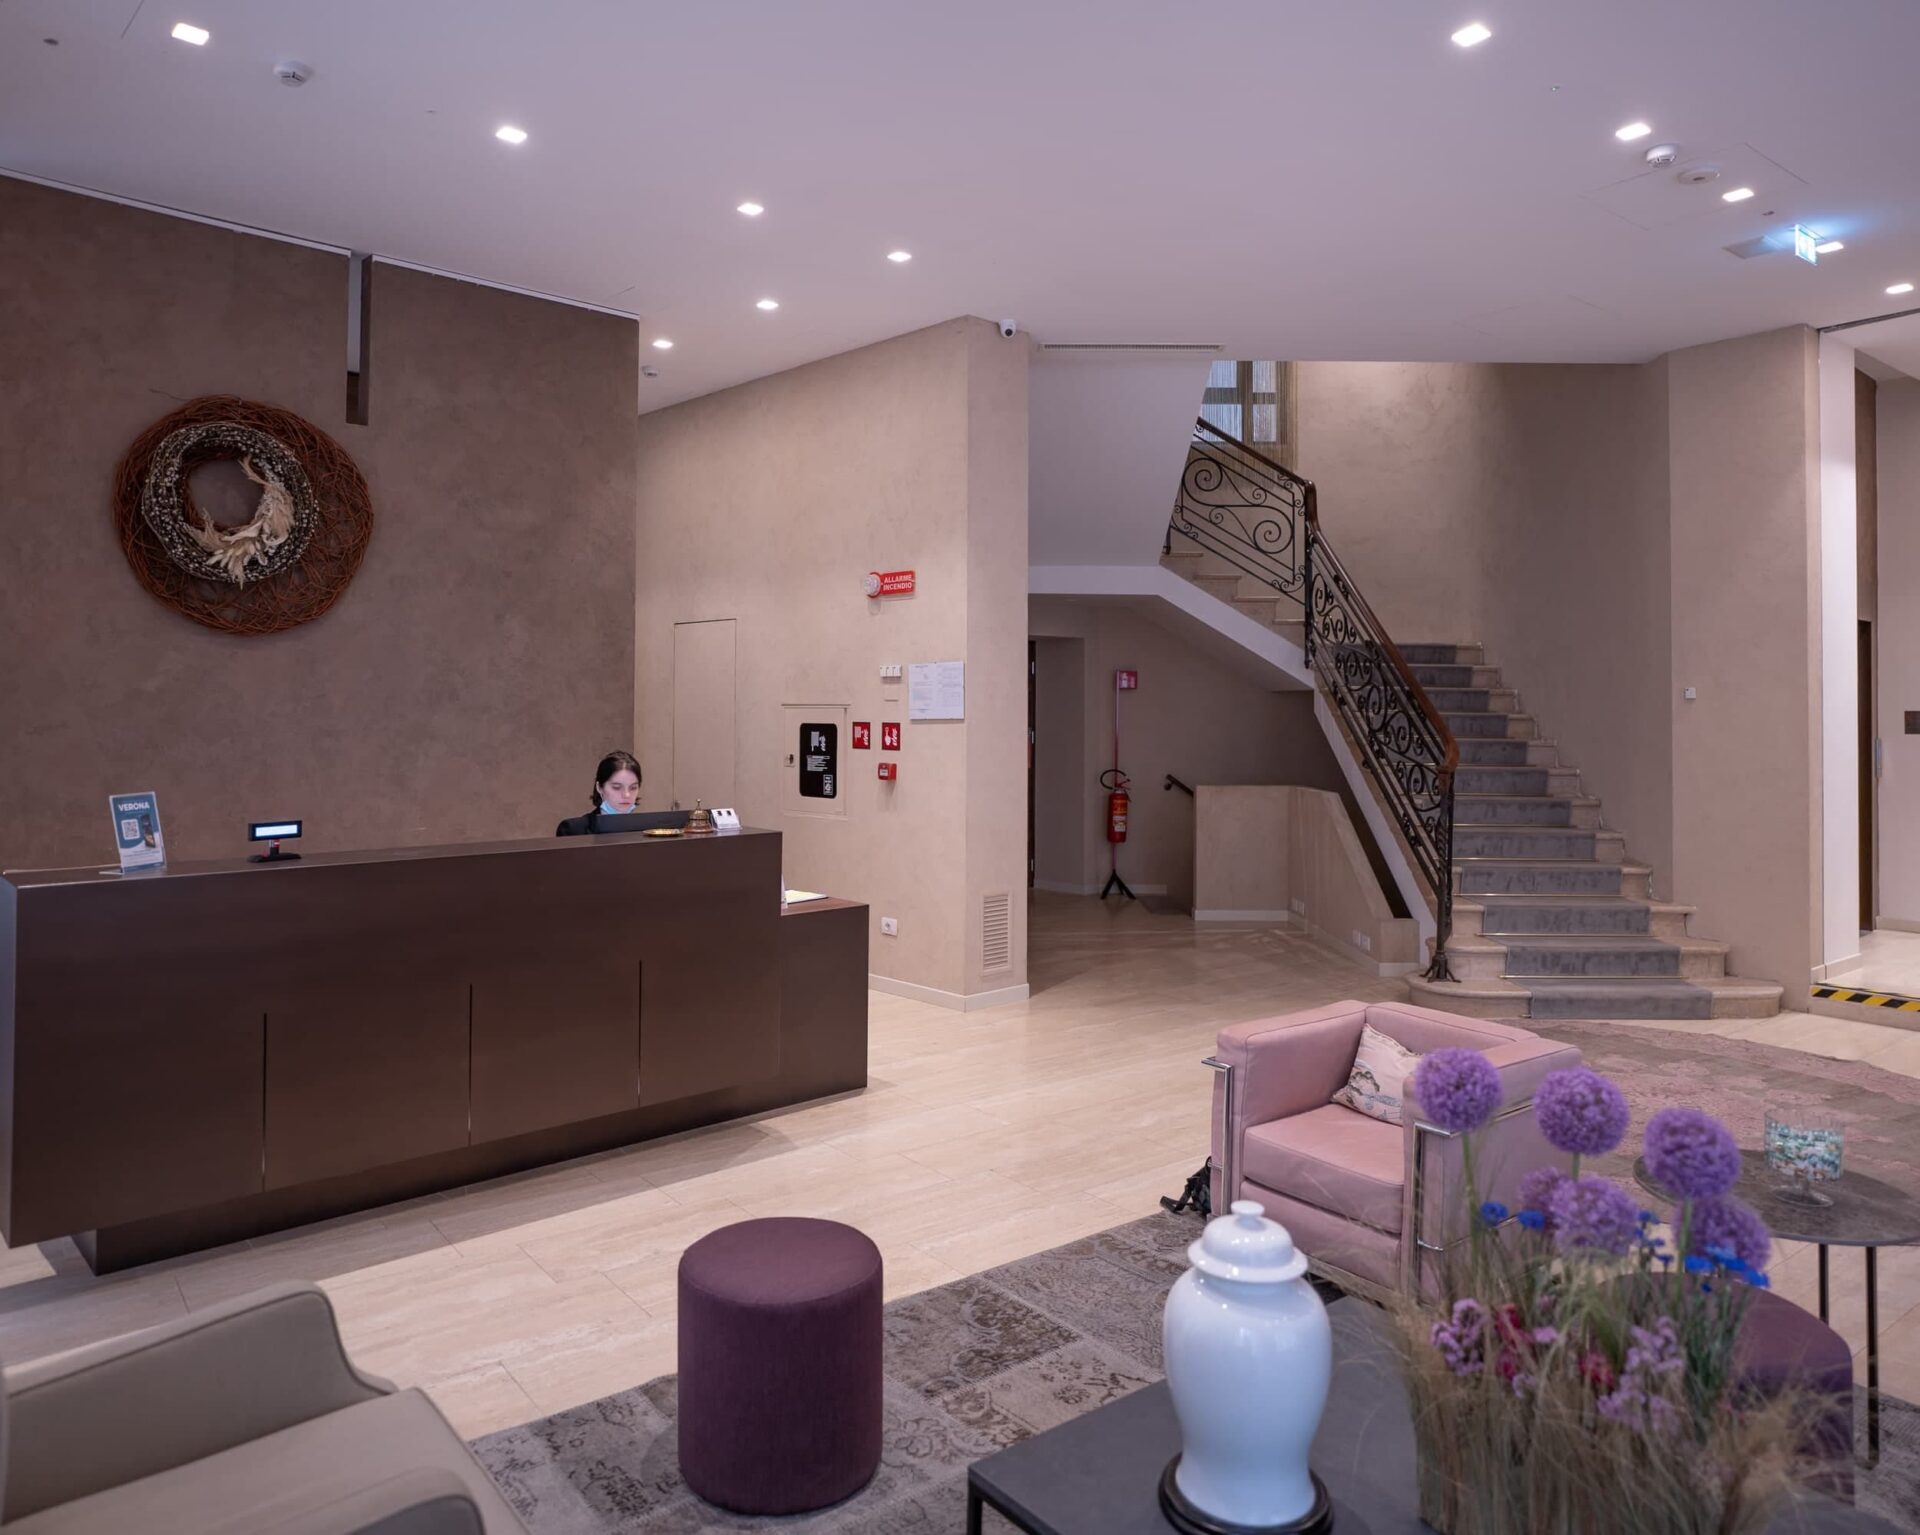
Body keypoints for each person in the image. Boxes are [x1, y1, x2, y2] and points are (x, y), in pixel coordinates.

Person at [555, 750, 643, 835]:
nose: (627, 795)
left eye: (633, 788)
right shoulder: (572, 830)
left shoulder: (645, 830)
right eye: (616, 787)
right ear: (599, 787)